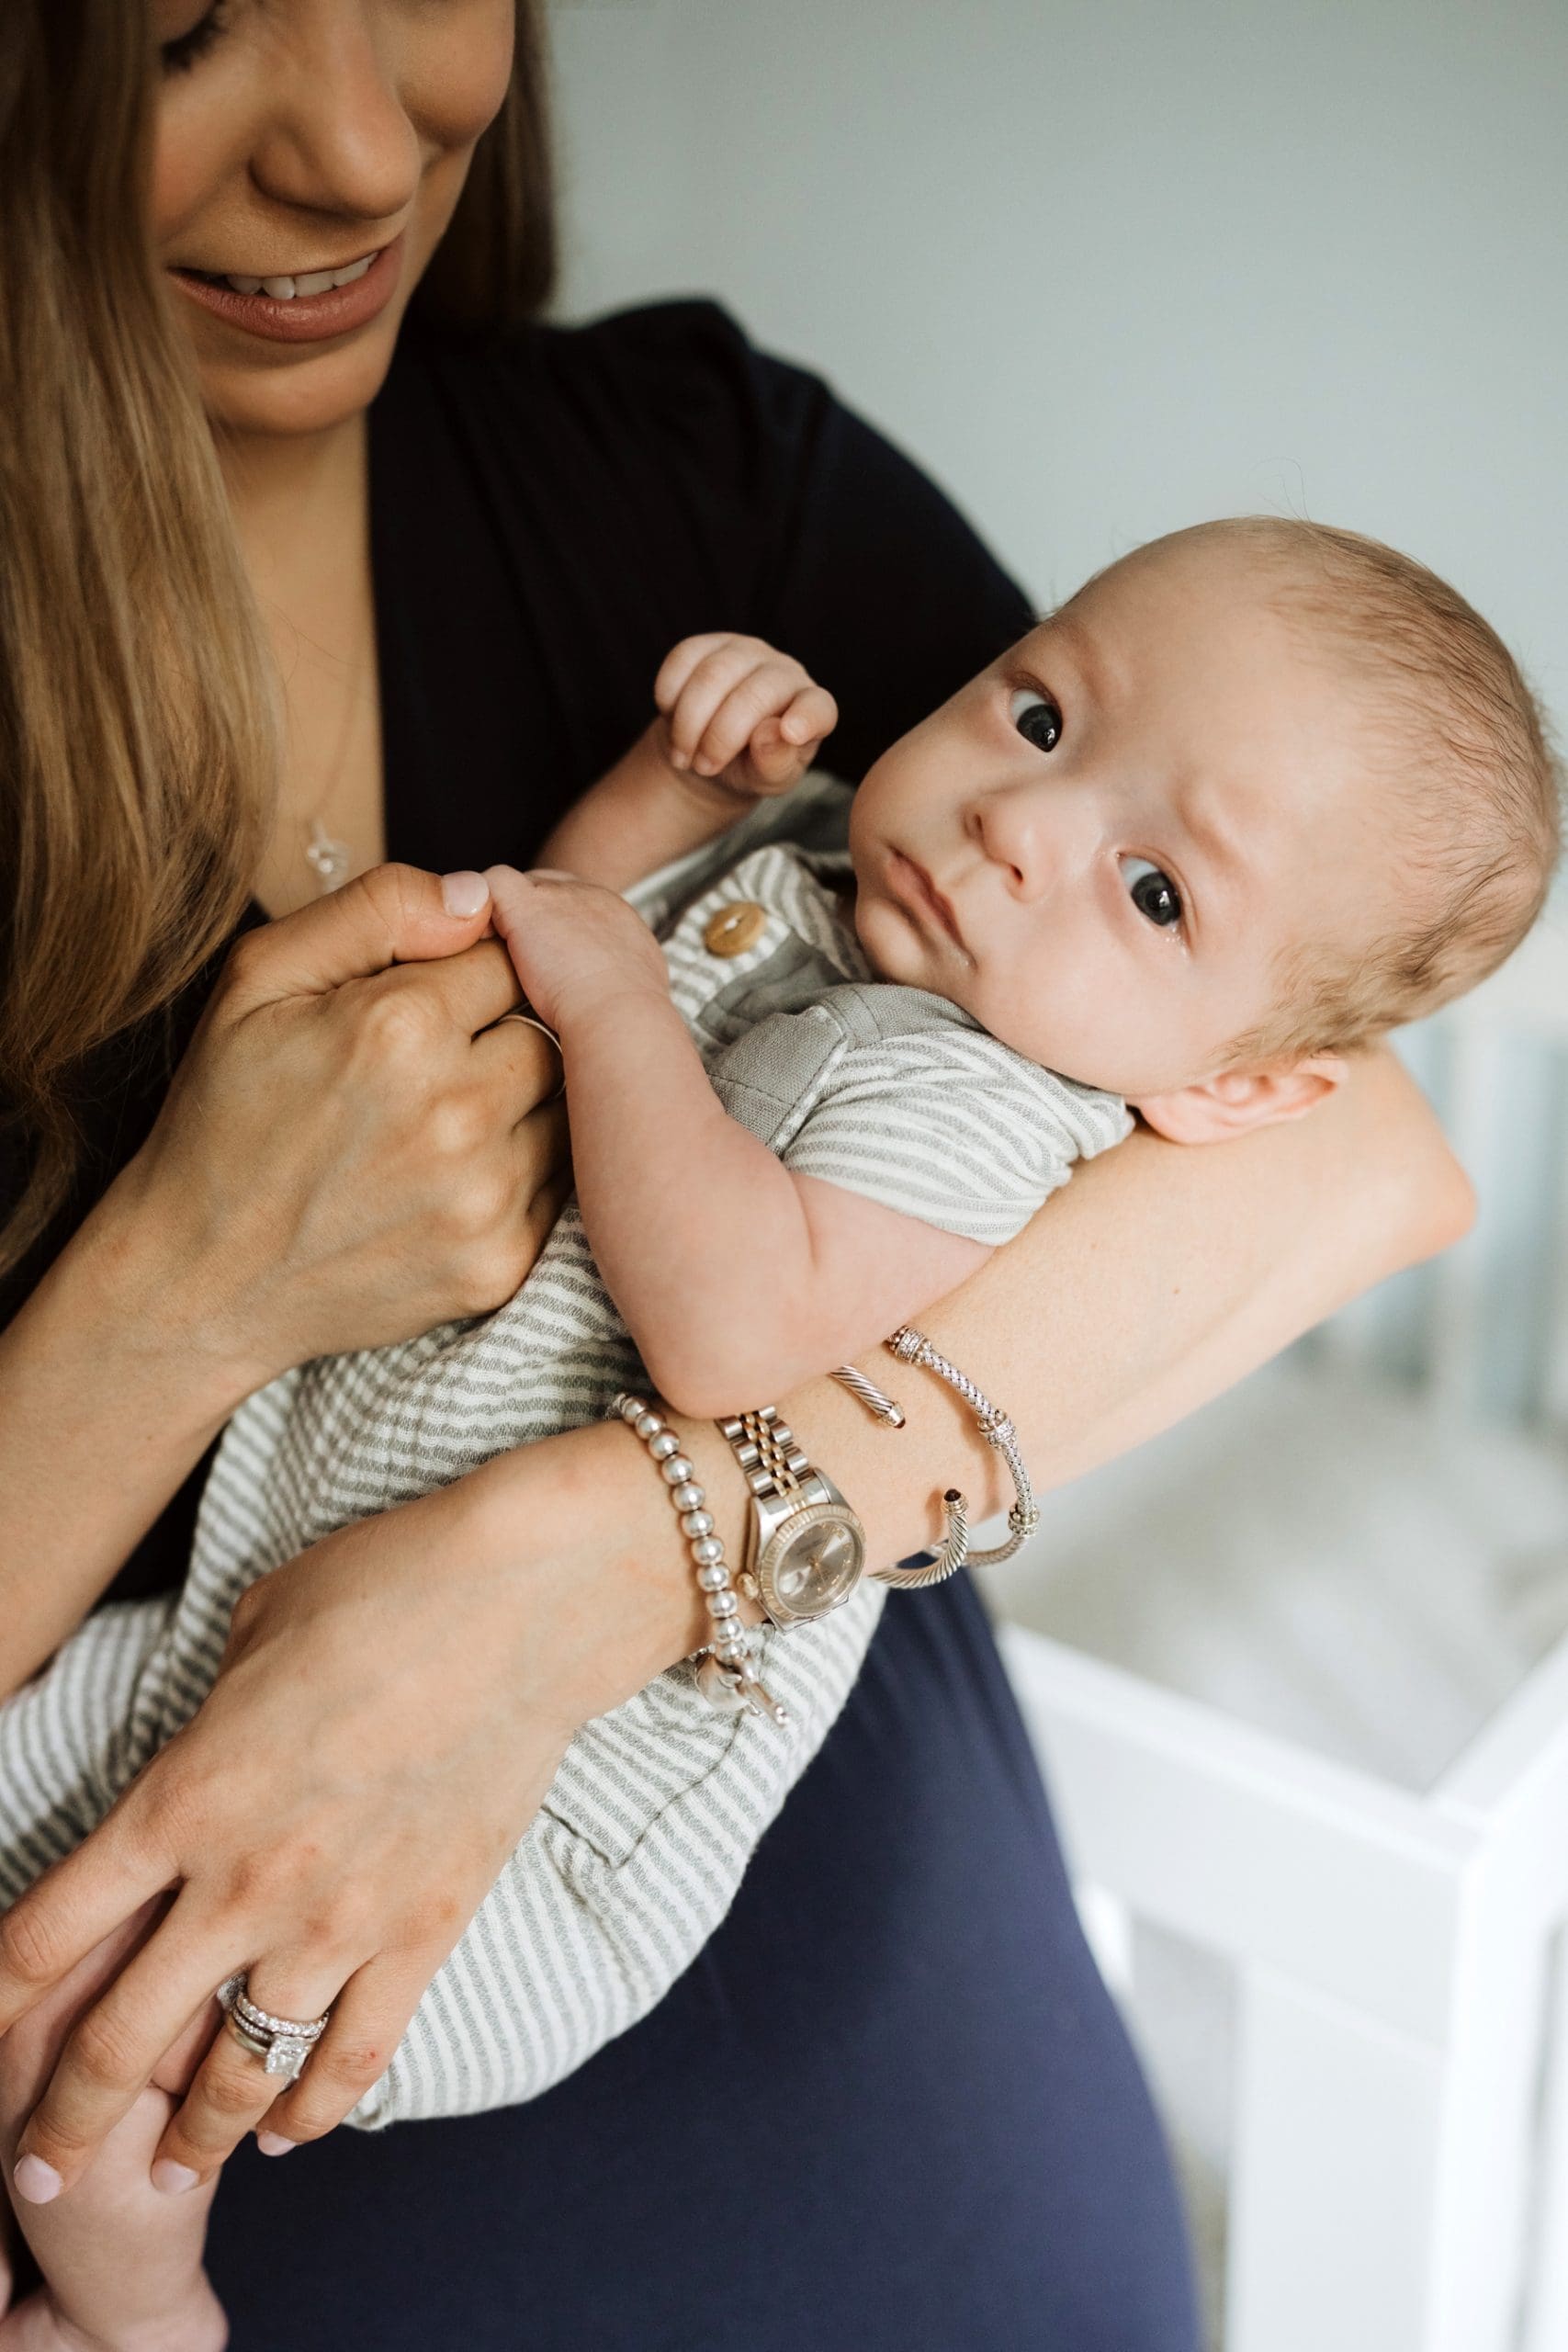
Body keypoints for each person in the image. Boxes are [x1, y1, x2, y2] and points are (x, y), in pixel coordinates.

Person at [0, 4, 1474, 2346]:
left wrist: (580, 1563)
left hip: (829, 2054)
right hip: (238, 2005)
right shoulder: (867, 824)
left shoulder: (695, 469)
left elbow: (1363, 1156)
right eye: (184, 34)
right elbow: (596, 922)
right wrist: (175, 1291)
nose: (364, 139)